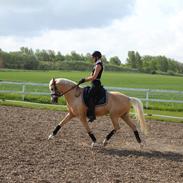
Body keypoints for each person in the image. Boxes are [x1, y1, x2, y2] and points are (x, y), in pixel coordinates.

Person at [78, 51, 103, 122]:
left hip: (96, 84)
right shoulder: (96, 64)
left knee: (90, 95)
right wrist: (84, 80)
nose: (92, 59)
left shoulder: (98, 65)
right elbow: (91, 76)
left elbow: (94, 77)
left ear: (97, 57)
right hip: (93, 83)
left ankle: (92, 115)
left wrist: (84, 80)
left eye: (93, 57)